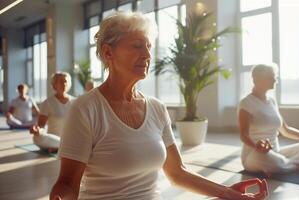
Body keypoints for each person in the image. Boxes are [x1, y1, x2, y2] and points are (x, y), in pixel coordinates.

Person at [50, 12, 268, 200]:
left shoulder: (156, 108)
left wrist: (227, 192)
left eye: (148, 47)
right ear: (108, 53)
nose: (146, 55)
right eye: (136, 46)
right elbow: (68, 184)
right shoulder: (85, 109)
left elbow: (177, 173)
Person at [238, 64, 299, 175]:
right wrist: (257, 146)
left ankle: (288, 165)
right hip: (255, 154)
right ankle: (298, 165)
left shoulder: (272, 101)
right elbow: (244, 135)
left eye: (275, 77)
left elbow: (286, 130)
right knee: (274, 161)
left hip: (276, 153)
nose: (275, 80)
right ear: (257, 79)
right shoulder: (246, 103)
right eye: (271, 77)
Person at [29, 72, 75, 152]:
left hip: (72, 139)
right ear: (54, 85)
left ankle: (60, 148)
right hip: (53, 140)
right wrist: (37, 130)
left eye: (65, 81)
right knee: (37, 138)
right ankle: (64, 147)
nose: (64, 83)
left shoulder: (76, 101)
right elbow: (41, 125)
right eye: (60, 81)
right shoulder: (47, 103)